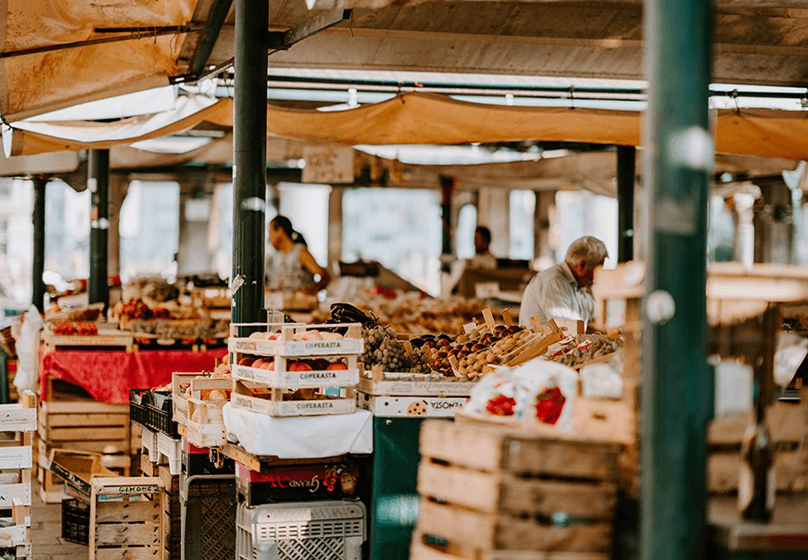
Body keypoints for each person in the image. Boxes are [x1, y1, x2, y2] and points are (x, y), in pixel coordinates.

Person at [518, 236, 608, 328]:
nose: (596, 277)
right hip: (545, 342)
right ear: (581, 265)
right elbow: (568, 330)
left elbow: (591, 320)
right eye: (596, 270)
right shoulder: (553, 282)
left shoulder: (579, 286)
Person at [266, 216, 331, 294]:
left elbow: (325, 276)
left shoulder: (300, 252)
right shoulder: (279, 256)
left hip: (301, 305)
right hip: (285, 304)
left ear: (280, 230)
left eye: (270, 232)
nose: (269, 238)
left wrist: (313, 290)